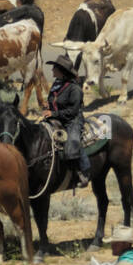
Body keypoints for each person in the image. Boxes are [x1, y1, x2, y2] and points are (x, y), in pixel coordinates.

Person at [46, 54, 89, 187]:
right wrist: (49, 108)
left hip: (72, 120)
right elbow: (54, 100)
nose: (52, 69)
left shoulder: (74, 89)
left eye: (54, 67)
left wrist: (53, 112)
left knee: (72, 142)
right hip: (57, 117)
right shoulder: (57, 84)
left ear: (61, 71)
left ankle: (83, 171)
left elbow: (73, 111)